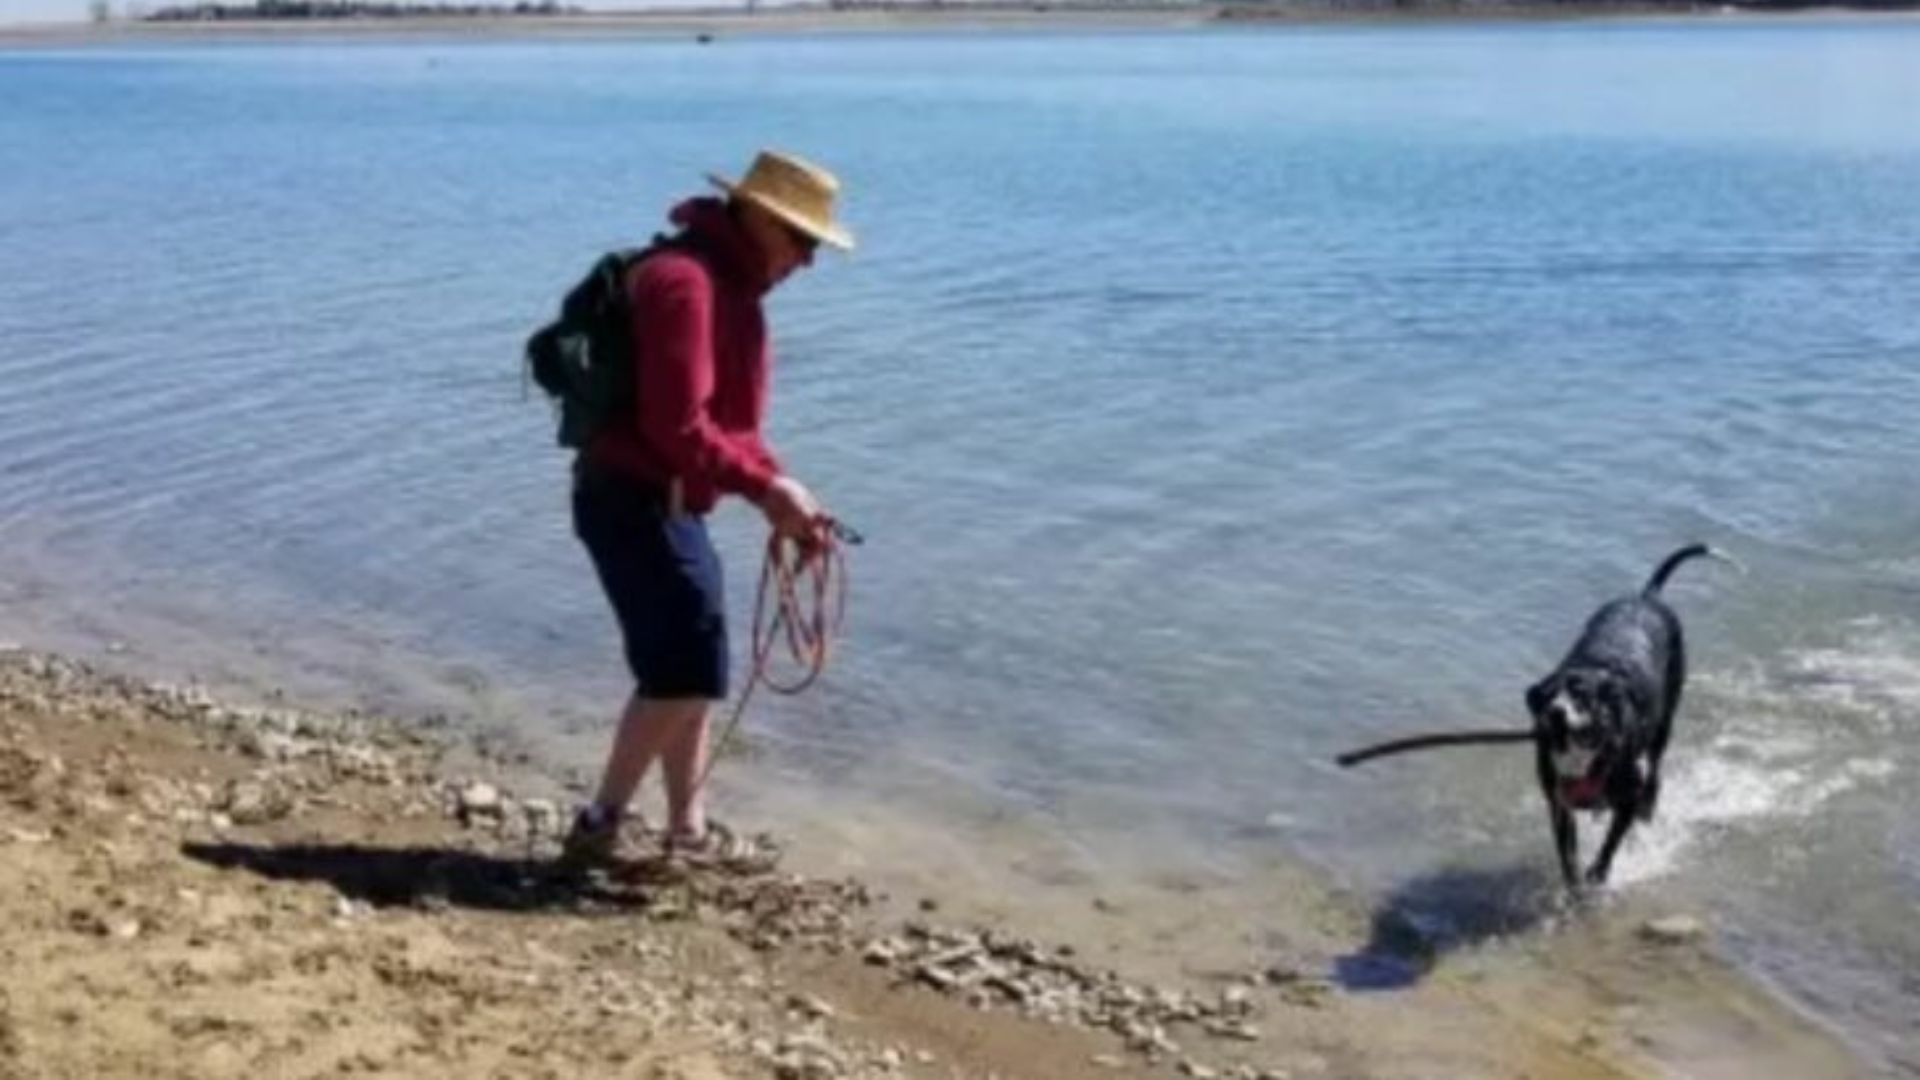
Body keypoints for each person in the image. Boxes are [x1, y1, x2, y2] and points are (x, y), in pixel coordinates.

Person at [560, 149, 855, 869]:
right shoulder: (684, 285)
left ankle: (686, 831)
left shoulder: (734, 289)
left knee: (695, 662)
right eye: (801, 239)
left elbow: (734, 430)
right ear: (755, 217)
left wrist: (785, 493)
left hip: (667, 503)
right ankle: (598, 827)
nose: (807, 261)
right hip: (629, 502)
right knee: (684, 670)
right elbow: (678, 428)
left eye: (814, 243)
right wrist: (763, 491)